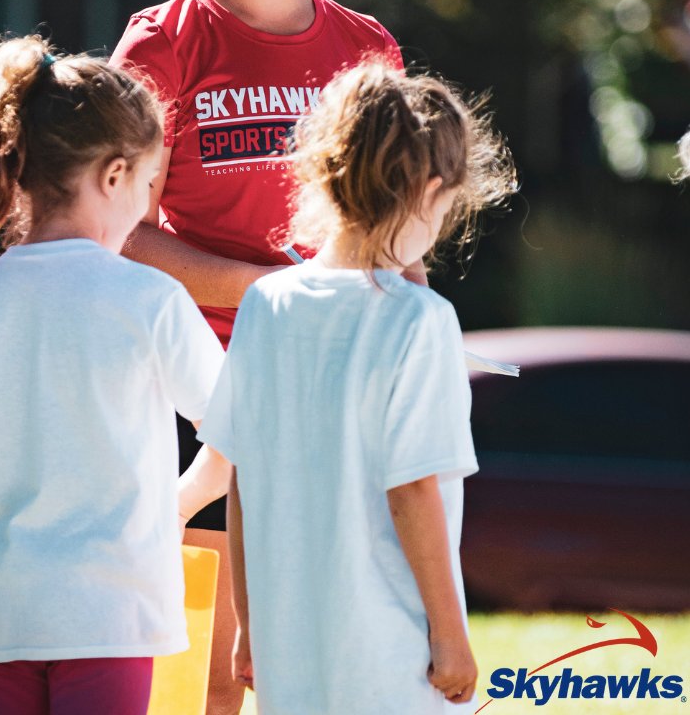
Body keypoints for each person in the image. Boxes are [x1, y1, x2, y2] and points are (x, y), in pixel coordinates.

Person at [110, 0, 405, 714]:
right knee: (200, 668)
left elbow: (387, 226)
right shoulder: (164, 40)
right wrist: (256, 291)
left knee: (290, 659)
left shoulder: (368, 51)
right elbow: (109, 226)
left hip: (317, 382)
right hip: (187, 384)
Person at [0, 36, 226, 715]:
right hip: (112, 615)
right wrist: (174, 505)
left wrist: (13, 506)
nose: (146, 205)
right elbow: (239, 431)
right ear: (115, 176)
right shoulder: (151, 299)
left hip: (6, 618)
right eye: (147, 184)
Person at [198, 60, 517, 714]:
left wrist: (250, 626)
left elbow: (241, 477)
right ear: (430, 188)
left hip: (289, 651)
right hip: (390, 657)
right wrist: (452, 636)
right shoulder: (420, 318)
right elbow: (412, 487)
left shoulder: (265, 303)